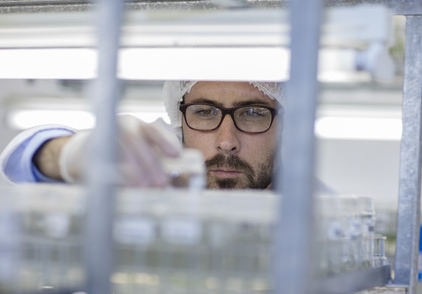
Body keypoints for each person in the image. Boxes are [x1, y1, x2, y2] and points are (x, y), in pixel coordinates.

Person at [1, 80, 289, 190]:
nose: (226, 141)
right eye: (205, 111)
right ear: (180, 121)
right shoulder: (152, 164)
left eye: (253, 113)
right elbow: (15, 161)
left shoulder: (314, 213)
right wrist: (68, 154)